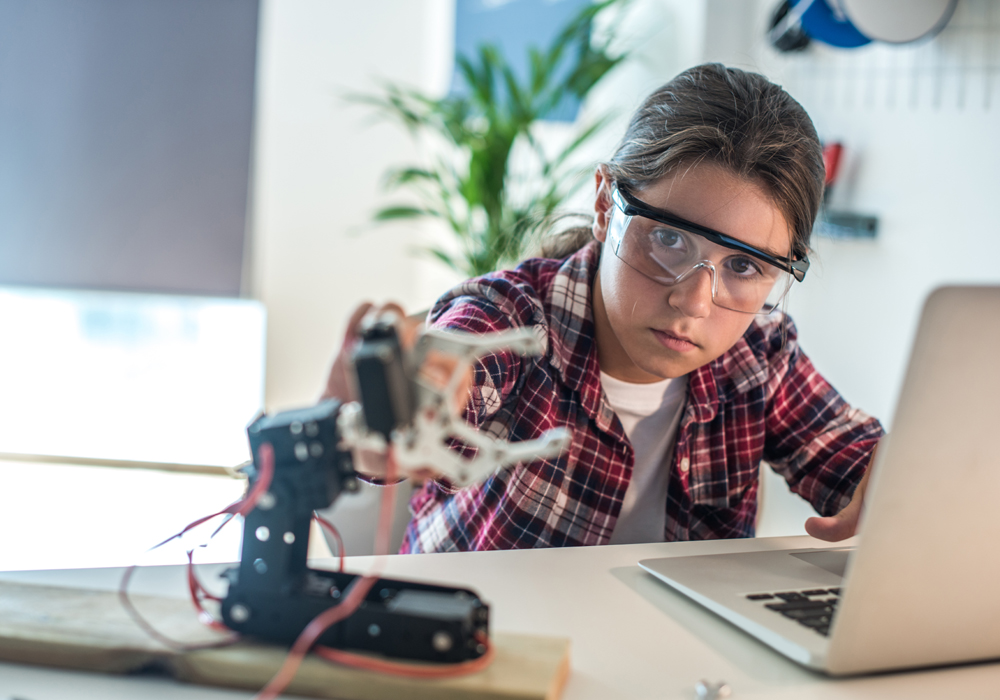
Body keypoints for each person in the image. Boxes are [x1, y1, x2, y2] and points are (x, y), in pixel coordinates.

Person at [323, 63, 884, 553]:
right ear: (603, 205)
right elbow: (439, 386)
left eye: (743, 267)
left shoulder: (762, 355)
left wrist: (902, 480)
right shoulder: (508, 320)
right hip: (484, 646)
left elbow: (867, 467)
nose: (692, 301)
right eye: (667, 240)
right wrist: (389, 415)